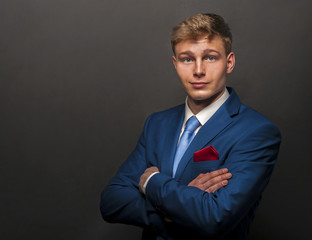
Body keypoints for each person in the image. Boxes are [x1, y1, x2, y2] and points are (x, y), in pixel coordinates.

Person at [100, 13, 281, 239]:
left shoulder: (257, 132)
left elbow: (215, 217)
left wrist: (153, 183)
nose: (198, 70)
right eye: (187, 59)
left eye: (210, 57)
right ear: (175, 64)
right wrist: (174, 210)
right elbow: (111, 201)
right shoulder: (157, 124)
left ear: (229, 62)